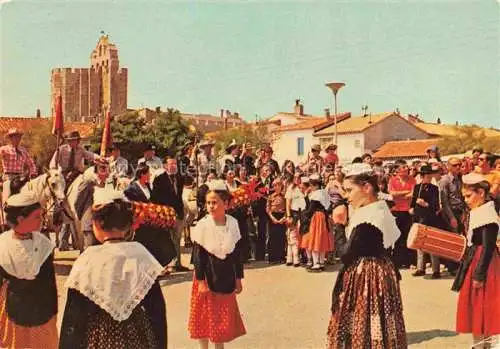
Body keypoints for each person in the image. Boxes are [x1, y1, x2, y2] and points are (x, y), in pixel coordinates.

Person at [59, 188, 167, 348]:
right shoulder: (140, 254)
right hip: (137, 335)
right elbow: (156, 309)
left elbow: (74, 314)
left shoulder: (88, 259)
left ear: (96, 224)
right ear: (129, 225)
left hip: (97, 337)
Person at [327, 163, 407, 348]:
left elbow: (345, 254)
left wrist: (338, 226)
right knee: (380, 323)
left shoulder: (368, 219)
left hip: (367, 277)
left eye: (349, 190)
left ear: (366, 187)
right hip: (382, 271)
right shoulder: (379, 208)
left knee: (362, 325)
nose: (346, 196)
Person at [188, 180, 246, 349]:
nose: (211, 206)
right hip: (205, 276)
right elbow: (198, 256)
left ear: (226, 204)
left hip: (225, 275)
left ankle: (219, 346)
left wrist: (238, 278)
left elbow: (236, 254)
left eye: (215, 203)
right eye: (208, 203)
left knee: (219, 315)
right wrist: (200, 282)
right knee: (204, 315)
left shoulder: (233, 224)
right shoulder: (203, 225)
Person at [0, 191, 58, 349]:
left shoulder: (44, 245)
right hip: (12, 310)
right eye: (37, 216)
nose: (42, 220)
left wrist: (53, 311)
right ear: (20, 219)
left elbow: (50, 281)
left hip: (41, 310)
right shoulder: (3, 245)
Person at [451, 173, 499, 349]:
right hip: (477, 259)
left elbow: (488, 246)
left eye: (469, 196)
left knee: (481, 305)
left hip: (484, 263)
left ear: (480, 192)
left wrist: (479, 274)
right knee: (479, 305)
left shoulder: (487, 214)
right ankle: (482, 345)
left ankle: (481, 345)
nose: (466, 200)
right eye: (464, 196)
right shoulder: (479, 211)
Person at [124, 164, 176, 268]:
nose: (149, 175)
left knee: (160, 244)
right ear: (142, 174)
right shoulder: (132, 188)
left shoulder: (148, 186)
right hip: (141, 223)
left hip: (151, 222)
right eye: (148, 173)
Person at [151, 157, 190, 272]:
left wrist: (181, 212)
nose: (173, 166)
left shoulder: (180, 178)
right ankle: (168, 264)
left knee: (177, 238)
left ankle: (178, 263)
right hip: (166, 213)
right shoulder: (159, 179)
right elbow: (156, 198)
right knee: (167, 239)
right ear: (165, 166)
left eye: (175, 164)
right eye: (171, 164)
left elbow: (179, 196)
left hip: (178, 212)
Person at [410, 165, 442, 279]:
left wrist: (426, 204)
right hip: (419, 217)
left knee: (432, 244)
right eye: (427, 176)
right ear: (422, 177)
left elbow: (436, 205)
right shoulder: (417, 187)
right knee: (419, 243)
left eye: (430, 176)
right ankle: (420, 268)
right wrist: (412, 208)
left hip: (430, 218)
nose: (429, 178)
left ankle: (436, 270)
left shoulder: (434, 188)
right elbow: (413, 201)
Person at [299, 174, 333, 272]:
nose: (310, 187)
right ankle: (321, 262)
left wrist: (305, 216)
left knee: (315, 239)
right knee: (322, 239)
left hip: (316, 217)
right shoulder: (324, 192)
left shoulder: (316, 194)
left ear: (315, 185)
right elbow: (329, 207)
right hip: (324, 217)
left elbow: (310, 209)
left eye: (311, 185)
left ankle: (316, 264)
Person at [389, 159, 416, 269]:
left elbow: (413, 193)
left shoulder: (412, 179)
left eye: (406, 167)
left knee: (408, 235)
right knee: (397, 236)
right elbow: (392, 194)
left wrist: (399, 195)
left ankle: (409, 260)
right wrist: (405, 193)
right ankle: (398, 261)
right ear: (397, 170)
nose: (407, 169)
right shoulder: (393, 180)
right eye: (404, 167)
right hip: (396, 211)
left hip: (408, 210)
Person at [0, 128, 37, 203]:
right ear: (10, 138)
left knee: (31, 196)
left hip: (21, 178)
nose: (18, 139)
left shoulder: (23, 150)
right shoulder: (4, 149)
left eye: (19, 137)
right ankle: (5, 209)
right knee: (7, 197)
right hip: (8, 178)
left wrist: (33, 173)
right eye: (15, 137)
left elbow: (31, 163)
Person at [266, 179, 287, 264]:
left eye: (278, 185)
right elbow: (268, 209)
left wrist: (284, 218)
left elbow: (288, 208)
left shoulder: (285, 196)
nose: (277, 187)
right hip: (273, 217)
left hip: (282, 216)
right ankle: (273, 258)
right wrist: (272, 218)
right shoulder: (271, 196)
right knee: (273, 238)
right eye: (275, 185)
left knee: (281, 237)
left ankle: (281, 257)